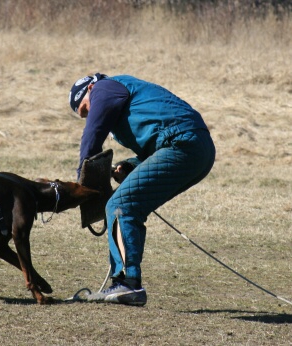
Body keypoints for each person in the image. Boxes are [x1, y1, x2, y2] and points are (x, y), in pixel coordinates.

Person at [69, 73, 215, 306]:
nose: (88, 116)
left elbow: (93, 133)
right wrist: (130, 166)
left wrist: (84, 175)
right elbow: (155, 143)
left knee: (120, 206)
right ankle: (127, 283)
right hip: (197, 149)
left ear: (89, 89)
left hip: (182, 143)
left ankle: (127, 284)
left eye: (85, 109)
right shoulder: (123, 99)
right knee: (130, 205)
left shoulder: (104, 88)